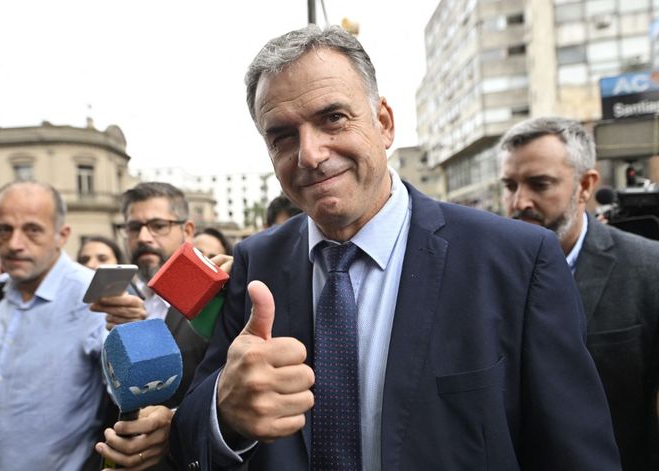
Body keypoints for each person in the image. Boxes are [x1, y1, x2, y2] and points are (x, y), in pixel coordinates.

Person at [167, 25, 620, 470]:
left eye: (332, 118)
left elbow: (576, 452)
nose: (309, 153)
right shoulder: (256, 261)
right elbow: (194, 427)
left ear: (383, 123)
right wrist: (224, 413)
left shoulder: (517, 261)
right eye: (282, 136)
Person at [498, 116, 659, 470]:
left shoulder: (649, 270)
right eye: (509, 185)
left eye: (540, 184)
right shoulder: (478, 274)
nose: (519, 202)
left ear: (585, 186)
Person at [0, 181, 106, 470]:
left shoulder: (92, 297)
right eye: (4, 230)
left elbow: (128, 395)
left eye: (32, 230)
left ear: (62, 235)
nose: (14, 244)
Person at [92, 182, 231, 470]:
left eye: (158, 225)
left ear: (187, 231)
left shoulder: (216, 300)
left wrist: (173, 425)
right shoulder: (108, 298)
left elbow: (228, 392)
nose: (144, 237)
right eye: (134, 227)